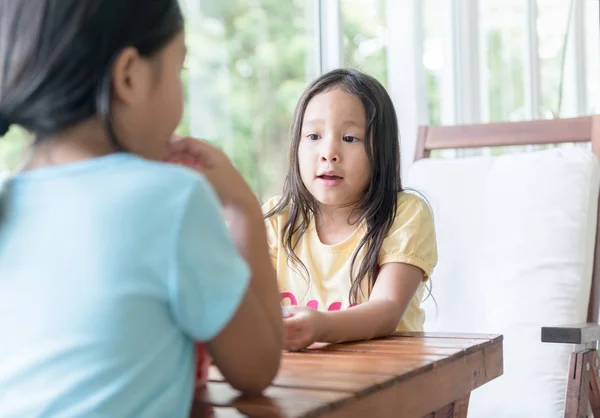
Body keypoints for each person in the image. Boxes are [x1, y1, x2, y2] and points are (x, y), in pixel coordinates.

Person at [0, 1, 282, 417]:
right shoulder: (172, 197)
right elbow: (257, 366)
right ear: (129, 76)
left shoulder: (9, 197)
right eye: (178, 70)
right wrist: (242, 208)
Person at [264, 69, 438, 351]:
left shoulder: (404, 214)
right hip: (302, 380)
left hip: (391, 381)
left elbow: (387, 309)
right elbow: (255, 306)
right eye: (313, 136)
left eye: (349, 138)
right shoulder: (277, 218)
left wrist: (322, 326)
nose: (329, 152)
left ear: (380, 152)